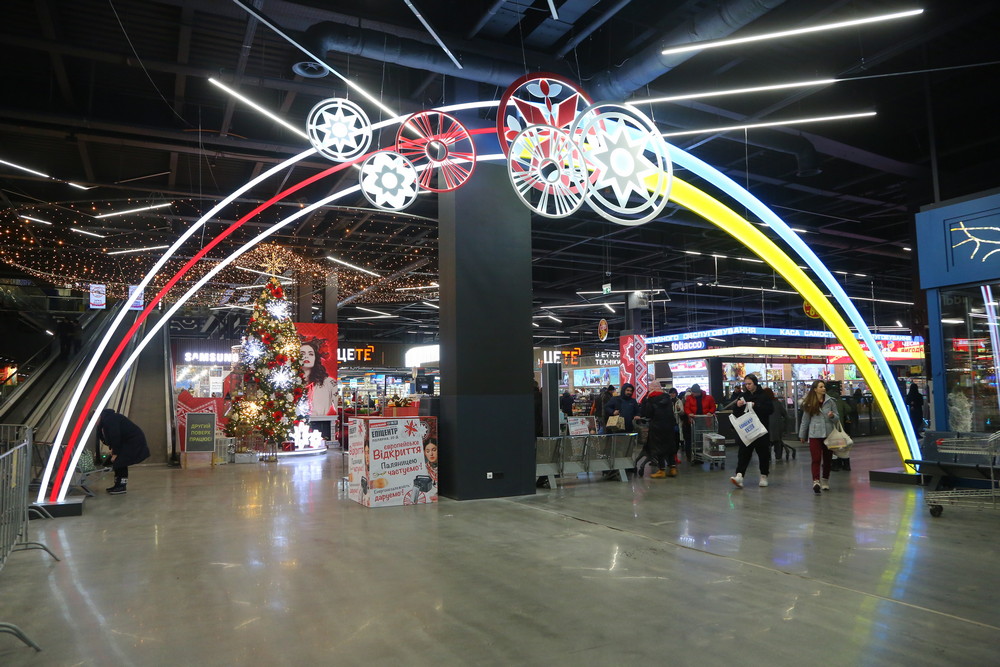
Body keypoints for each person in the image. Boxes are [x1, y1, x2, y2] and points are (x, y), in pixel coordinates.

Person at [730, 374, 773, 488]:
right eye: (746, 384)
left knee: (763, 454)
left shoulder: (764, 395)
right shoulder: (743, 396)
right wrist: (738, 405)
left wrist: (756, 405)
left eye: (750, 384)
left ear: (755, 383)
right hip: (747, 431)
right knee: (743, 453)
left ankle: (764, 475)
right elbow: (736, 412)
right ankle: (739, 475)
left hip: (761, 430)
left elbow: (770, 409)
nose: (748, 386)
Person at [798, 380, 839, 494]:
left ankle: (825, 480)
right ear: (815, 389)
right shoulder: (810, 402)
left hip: (828, 434)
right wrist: (802, 435)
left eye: (824, 386)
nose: (823, 388)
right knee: (816, 459)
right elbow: (805, 420)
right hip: (814, 434)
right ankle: (816, 481)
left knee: (827, 459)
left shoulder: (830, 401)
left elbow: (837, 417)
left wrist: (832, 416)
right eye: (821, 387)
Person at [97, 408, 150, 495]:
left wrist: (115, 453)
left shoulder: (110, 419)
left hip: (133, 440)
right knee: (118, 462)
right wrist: (112, 449)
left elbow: (115, 436)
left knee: (121, 461)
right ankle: (117, 484)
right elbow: (111, 437)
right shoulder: (106, 419)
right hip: (127, 441)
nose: (96, 424)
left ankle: (121, 486)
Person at [640, 386, 680, 478]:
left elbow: (648, 414)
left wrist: (646, 401)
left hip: (657, 427)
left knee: (659, 448)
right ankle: (672, 469)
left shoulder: (651, 399)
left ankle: (662, 470)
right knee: (670, 447)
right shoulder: (668, 399)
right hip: (669, 426)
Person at [300, 338, 337, 416]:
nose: (306, 357)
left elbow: (338, 407)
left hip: (321, 421)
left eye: (311, 354)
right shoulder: (289, 383)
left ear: (315, 358)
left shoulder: (329, 382)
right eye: (302, 354)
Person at [683, 383, 717, 463]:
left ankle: (701, 455)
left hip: (705, 421)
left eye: (694, 392)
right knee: (695, 439)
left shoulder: (709, 398)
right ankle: (696, 456)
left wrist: (710, 412)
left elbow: (713, 407)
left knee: (704, 438)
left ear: (698, 392)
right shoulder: (689, 398)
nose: (692, 394)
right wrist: (689, 413)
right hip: (695, 421)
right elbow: (686, 408)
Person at [767, 388, 788, 462]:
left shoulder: (764, 403)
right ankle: (778, 457)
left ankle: (768, 457)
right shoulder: (777, 403)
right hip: (777, 426)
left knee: (767, 443)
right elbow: (785, 414)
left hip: (767, 426)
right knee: (777, 441)